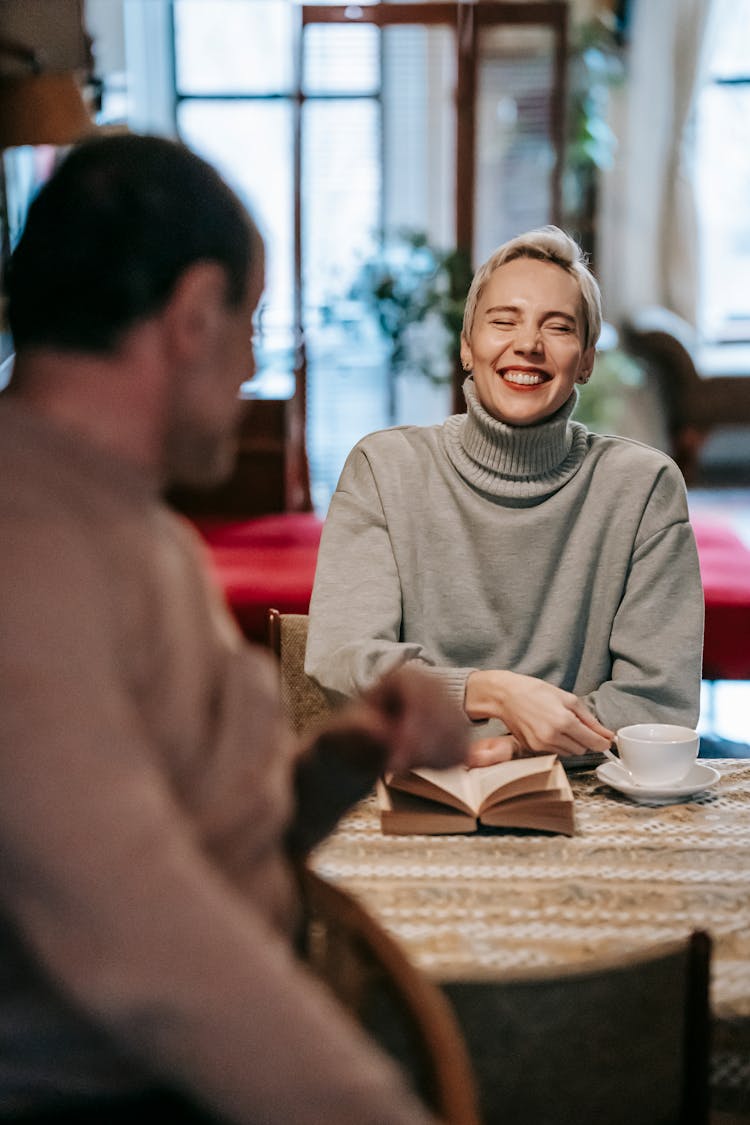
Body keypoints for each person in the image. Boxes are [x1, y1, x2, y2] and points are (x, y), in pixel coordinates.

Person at [0, 134, 471, 1124]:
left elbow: (198, 840)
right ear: (190, 316)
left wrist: (344, 758)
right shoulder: (27, 546)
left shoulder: (137, 527)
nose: (254, 362)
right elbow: (134, 931)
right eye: (249, 323)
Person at [306, 226, 704, 765]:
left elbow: (657, 700)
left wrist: (512, 748)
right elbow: (345, 656)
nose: (529, 344)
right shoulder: (384, 470)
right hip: (418, 782)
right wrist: (495, 692)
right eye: (503, 321)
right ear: (468, 346)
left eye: (558, 327)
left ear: (586, 360)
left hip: (582, 793)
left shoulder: (643, 487)